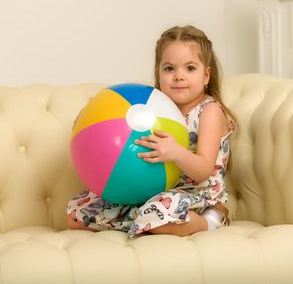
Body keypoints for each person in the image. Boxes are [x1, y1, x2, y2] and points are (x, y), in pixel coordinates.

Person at [66, 25, 237, 237]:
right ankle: (142, 219)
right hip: (153, 190)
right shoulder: (154, 106)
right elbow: (125, 133)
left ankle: (211, 220)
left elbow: (203, 170)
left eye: (190, 68)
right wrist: (91, 118)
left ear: (206, 75)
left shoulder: (209, 111)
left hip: (196, 193)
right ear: (158, 73)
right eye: (169, 68)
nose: (179, 76)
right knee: (76, 215)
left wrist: (176, 152)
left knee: (159, 212)